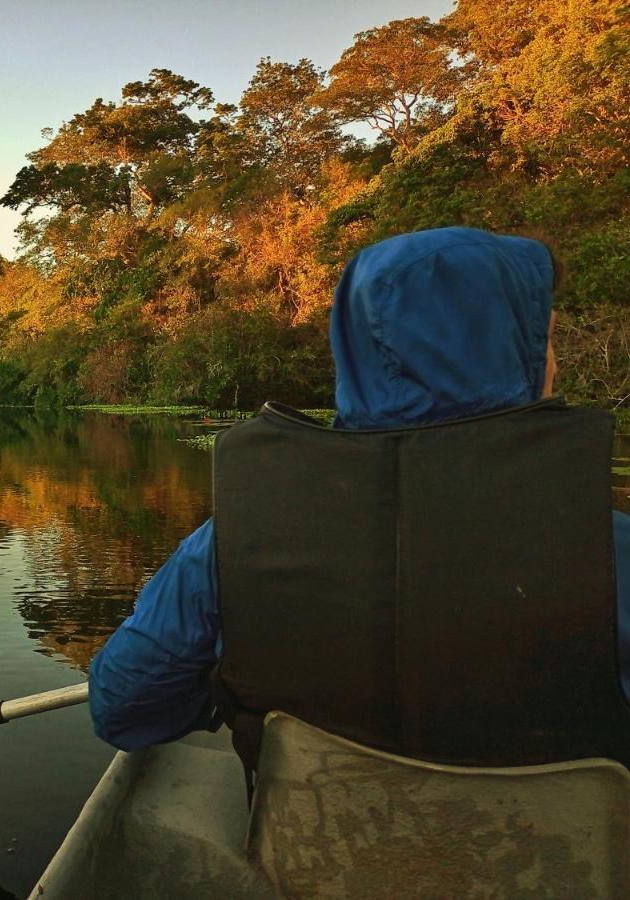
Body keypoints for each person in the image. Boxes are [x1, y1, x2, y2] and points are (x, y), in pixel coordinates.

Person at [88, 226, 630, 754]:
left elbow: (122, 711)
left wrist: (223, 681)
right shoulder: (608, 549)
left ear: (353, 347)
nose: (554, 361)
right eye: (548, 338)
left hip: (313, 843)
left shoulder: (235, 543)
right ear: (510, 350)